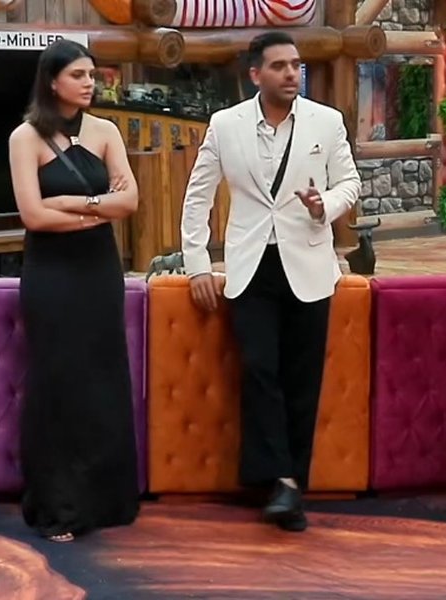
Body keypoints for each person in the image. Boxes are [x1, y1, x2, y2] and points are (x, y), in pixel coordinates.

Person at [180, 32, 361, 532]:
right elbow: (198, 197)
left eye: (295, 65)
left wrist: (326, 205)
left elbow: (350, 182)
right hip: (251, 263)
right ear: (255, 74)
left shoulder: (327, 121)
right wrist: (197, 262)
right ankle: (281, 479)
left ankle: (289, 485)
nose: (290, 73)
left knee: (302, 377)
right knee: (259, 369)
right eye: (279, 65)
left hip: (308, 262)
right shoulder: (226, 125)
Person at [8, 39, 140, 542]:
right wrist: (97, 208)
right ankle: (57, 506)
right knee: (57, 381)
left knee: (103, 378)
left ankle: (106, 501)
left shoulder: (105, 131)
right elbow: (34, 215)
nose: (90, 83)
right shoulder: (25, 137)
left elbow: (129, 201)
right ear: (52, 81)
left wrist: (73, 203)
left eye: (91, 75)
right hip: (51, 274)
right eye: (79, 75)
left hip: (98, 270)